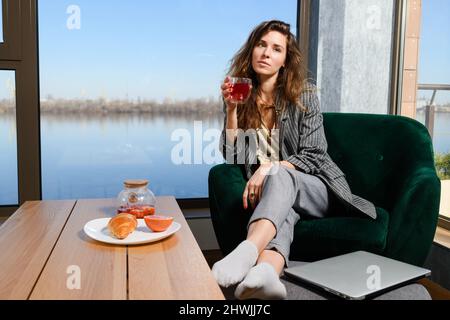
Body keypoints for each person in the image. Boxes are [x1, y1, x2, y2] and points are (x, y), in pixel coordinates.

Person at [211, 20, 377, 300]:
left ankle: (246, 251)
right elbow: (231, 155)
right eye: (261, 45)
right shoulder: (244, 98)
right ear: (251, 51)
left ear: (285, 60)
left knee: (280, 176)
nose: (266, 53)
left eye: (276, 49)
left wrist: (269, 168)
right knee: (282, 213)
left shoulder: (305, 95)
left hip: (318, 189)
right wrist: (231, 112)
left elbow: (314, 154)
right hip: (278, 196)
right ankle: (266, 273)